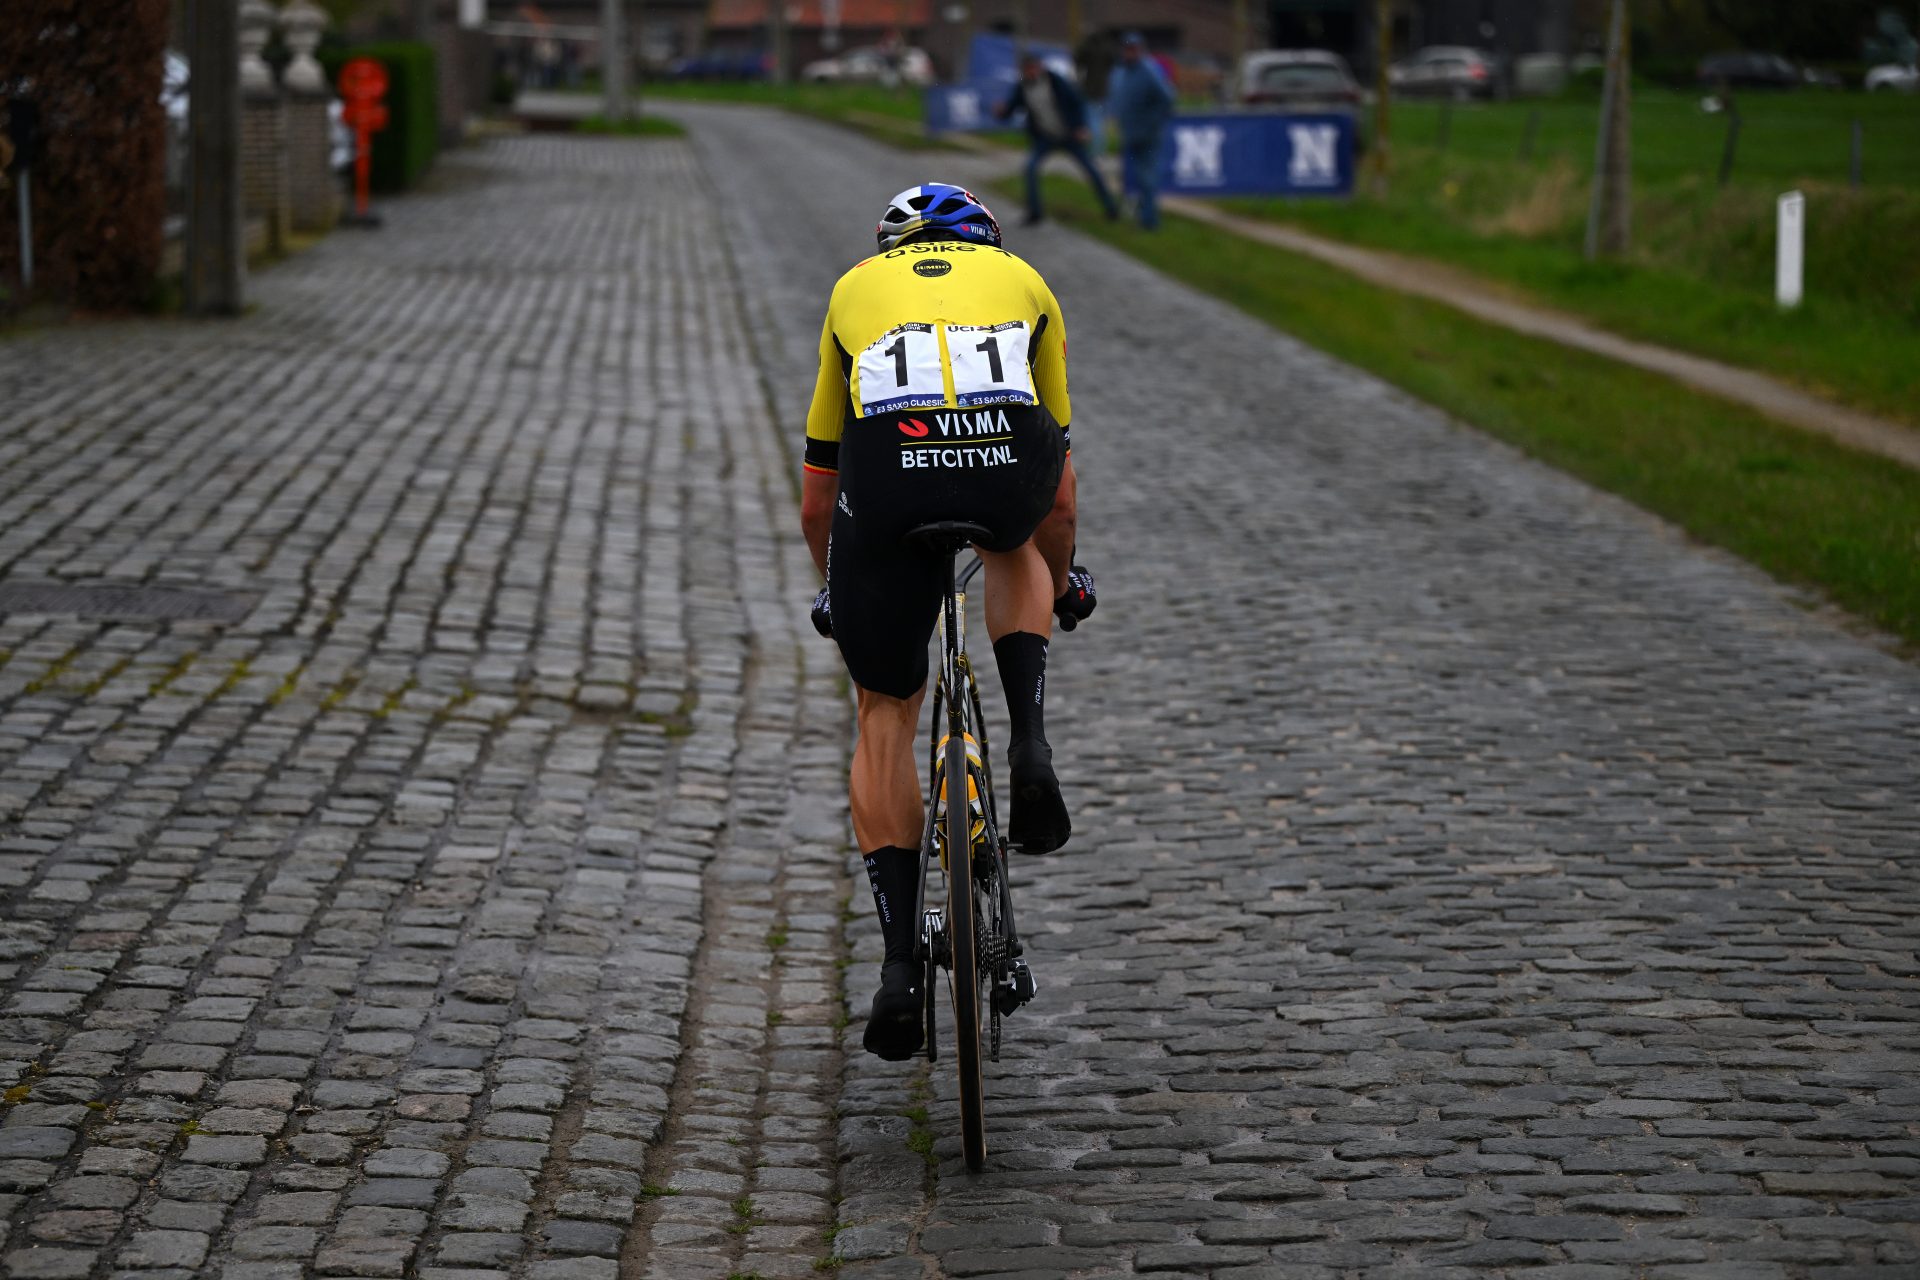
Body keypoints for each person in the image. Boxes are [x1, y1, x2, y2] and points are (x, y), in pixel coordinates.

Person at [799, 185, 1097, 1061]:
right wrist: (1066, 573)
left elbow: (820, 494)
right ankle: (1030, 745)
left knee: (884, 710)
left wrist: (837, 587)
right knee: (1015, 545)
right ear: (986, 241)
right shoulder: (1027, 281)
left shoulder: (854, 288)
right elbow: (1062, 492)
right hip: (1004, 459)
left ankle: (897, 970)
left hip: (887, 476)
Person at [996, 53, 1117, 225]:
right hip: (1045, 137)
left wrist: (1080, 127)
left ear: (1040, 68)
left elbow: (1076, 102)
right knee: (1030, 169)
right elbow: (1011, 108)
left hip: (1068, 135)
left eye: (1034, 69)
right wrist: (1001, 112)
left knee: (1091, 169)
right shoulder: (1023, 87)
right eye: (1027, 70)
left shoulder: (1055, 81)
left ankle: (1111, 209)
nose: (1031, 73)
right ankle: (1035, 213)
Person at [1106, 32, 1174, 230]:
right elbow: (1118, 100)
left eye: (1134, 49)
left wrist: (1152, 122)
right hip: (1130, 132)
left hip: (1147, 134)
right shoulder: (1121, 71)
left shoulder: (1149, 71)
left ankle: (1150, 220)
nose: (1130, 53)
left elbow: (1166, 99)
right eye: (1127, 49)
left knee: (1147, 177)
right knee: (1131, 177)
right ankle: (1138, 213)